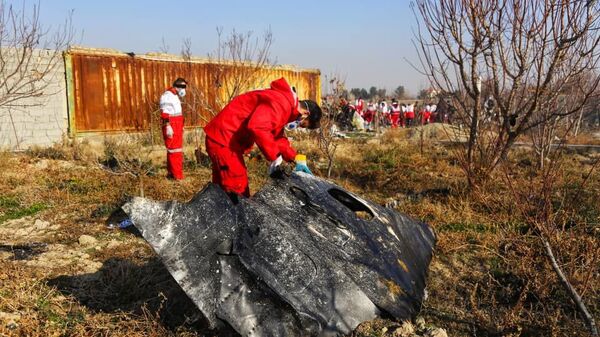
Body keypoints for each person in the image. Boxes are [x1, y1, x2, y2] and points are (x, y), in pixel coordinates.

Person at [204, 77, 322, 198]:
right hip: (224, 140)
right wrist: (274, 157)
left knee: (221, 191)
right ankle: (236, 216)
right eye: (303, 125)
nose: (299, 127)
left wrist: (295, 158)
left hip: (223, 139)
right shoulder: (281, 104)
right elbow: (258, 127)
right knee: (237, 189)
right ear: (305, 114)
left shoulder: (285, 105)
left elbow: (276, 136)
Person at [160, 77, 188, 180]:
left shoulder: (174, 96)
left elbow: (177, 113)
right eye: (183, 87)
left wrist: (182, 126)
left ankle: (172, 174)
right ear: (178, 86)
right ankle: (177, 176)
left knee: (175, 150)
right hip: (172, 125)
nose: (184, 90)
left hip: (177, 125)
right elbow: (165, 112)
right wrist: (168, 126)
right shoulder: (167, 96)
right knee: (174, 151)